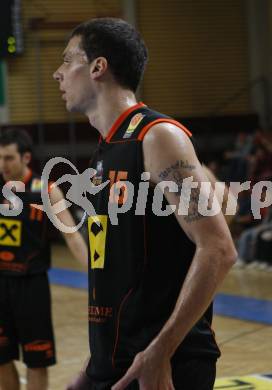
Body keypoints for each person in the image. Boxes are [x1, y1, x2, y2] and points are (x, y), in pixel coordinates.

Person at [53, 18, 237, 390]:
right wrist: (95, 365)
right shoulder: (105, 153)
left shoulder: (157, 137)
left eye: (67, 60)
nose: (58, 73)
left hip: (163, 366)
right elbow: (117, 275)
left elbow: (218, 248)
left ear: (98, 67)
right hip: (115, 366)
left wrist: (161, 351)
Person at [0, 128, 88, 390]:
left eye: (8, 158)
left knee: (37, 360)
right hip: (0, 285)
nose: (2, 165)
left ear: (26, 158)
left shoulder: (46, 191)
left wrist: (95, 276)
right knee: (2, 358)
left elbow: (72, 235)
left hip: (31, 285)